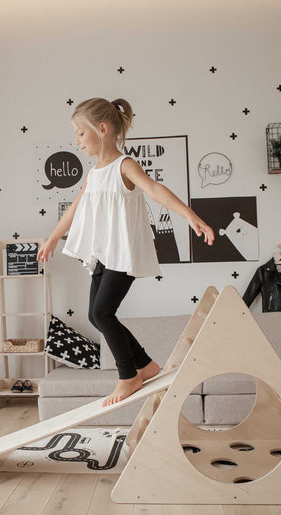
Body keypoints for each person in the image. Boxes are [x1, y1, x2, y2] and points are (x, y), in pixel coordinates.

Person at [37, 97, 214, 407]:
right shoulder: (93, 174)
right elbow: (74, 211)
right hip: (102, 254)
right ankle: (145, 365)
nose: (77, 141)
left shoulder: (125, 165)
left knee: (101, 313)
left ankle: (128, 375)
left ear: (102, 129)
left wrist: (190, 216)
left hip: (123, 253)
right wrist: (52, 238)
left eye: (80, 133)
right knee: (96, 314)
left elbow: (156, 190)